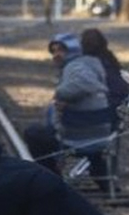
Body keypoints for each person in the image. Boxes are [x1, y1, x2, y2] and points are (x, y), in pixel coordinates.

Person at [22, 33, 113, 186]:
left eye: (61, 50)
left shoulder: (75, 66)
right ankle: (106, 185)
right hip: (100, 136)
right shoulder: (92, 64)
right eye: (54, 51)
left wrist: (60, 94)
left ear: (73, 50)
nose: (56, 55)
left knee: (33, 134)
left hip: (77, 138)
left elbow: (82, 83)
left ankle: (53, 180)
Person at [79, 28, 129, 121]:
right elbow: (122, 88)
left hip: (95, 110)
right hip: (114, 107)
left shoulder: (81, 64)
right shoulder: (109, 60)